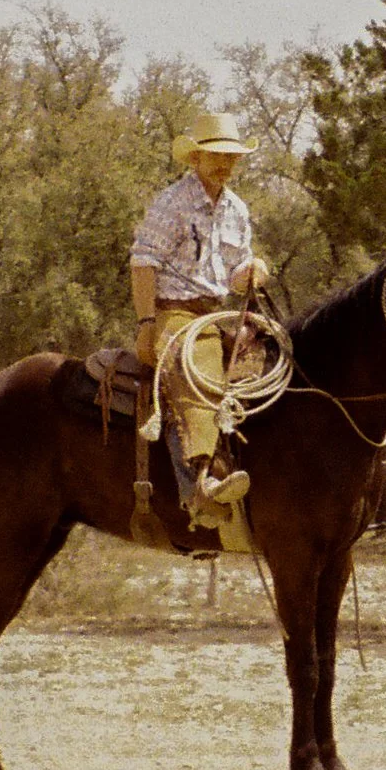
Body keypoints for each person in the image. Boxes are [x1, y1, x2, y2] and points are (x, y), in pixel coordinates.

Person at [129, 112, 271, 524]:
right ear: (195, 158)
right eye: (216, 155)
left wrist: (253, 270)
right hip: (175, 312)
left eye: (231, 156)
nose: (225, 163)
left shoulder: (236, 209)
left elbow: (237, 267)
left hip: (219, 313)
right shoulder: (172, 203)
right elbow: (143, 263)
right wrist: (146, 323)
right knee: (195, 374)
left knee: (269, 365)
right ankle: (200, 485)